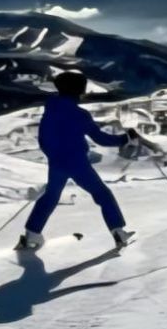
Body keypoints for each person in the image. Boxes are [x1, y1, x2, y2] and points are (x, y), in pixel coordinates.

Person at [17, 69, 136, 252]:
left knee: (51, 196)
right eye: (82, 88)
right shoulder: (80, 114)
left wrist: (54, 155)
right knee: (102, 194)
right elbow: (101, 139)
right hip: (77, 162)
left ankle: (32, 234)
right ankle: (118, 231)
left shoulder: (51, 109)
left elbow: (43, 139)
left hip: (57, 162)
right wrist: (125, 138)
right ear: (77, 90)